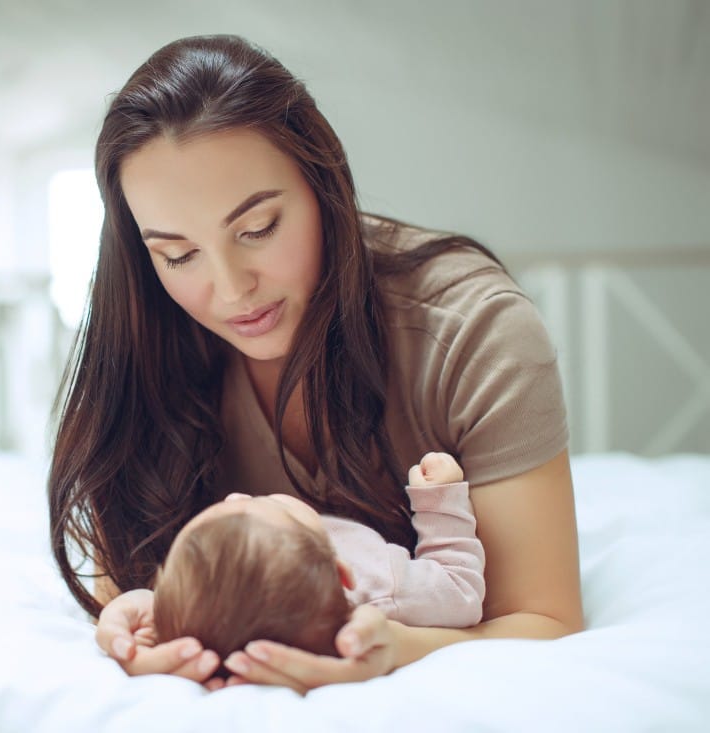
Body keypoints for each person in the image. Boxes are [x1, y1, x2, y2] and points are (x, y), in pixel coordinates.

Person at [47, 34, 583, 693]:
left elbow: (545, 618)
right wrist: (130, 622)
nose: (233, 287)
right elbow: (123, 586)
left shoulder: (473, 332)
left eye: (259, 227)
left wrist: (398, 649)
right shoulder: (148, 337)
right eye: (178, 255)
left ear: (323, 181)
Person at [151, 452, 485, 666]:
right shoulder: (381, 584)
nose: (237, 495)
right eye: (269, 505)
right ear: (342, 574)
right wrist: (439, 500)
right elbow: (460, 586)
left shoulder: (224, 606)